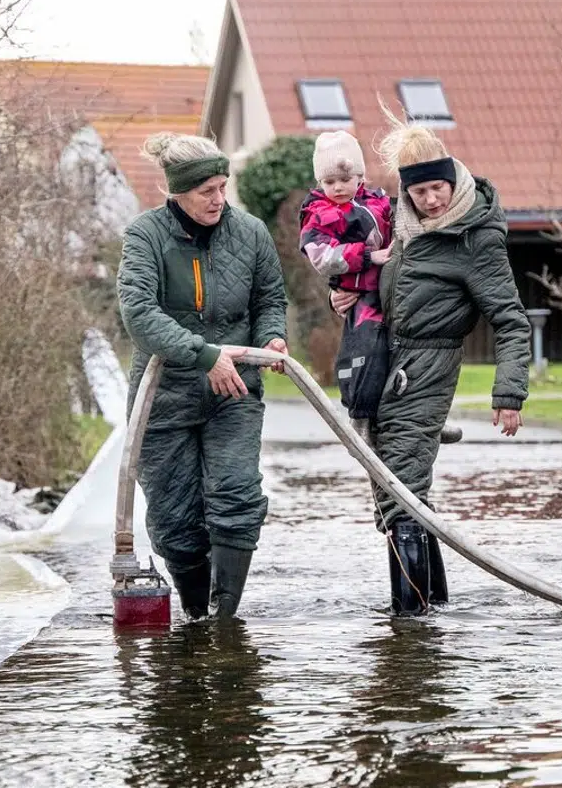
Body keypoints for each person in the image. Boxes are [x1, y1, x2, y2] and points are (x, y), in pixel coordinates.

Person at [335, 112, 530, 616]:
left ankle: (410, 625)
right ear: (408, 194)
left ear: (454, 179)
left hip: (427, 368)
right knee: (402, 490)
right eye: (421, 193)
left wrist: (508, 395)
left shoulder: (475, 237)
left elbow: (512, 321)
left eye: (439, 188)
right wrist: (346, 293)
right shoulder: (403, 229)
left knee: (399, 493)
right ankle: (433, 610)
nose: (433, 200)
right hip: (383, 367)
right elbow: (384, 286)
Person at [117, 132, 288, 621]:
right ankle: (195, 617)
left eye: (222, 187)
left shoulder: (250, 233)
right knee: (175, 520)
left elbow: (269, 299)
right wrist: (204, 355)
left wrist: (272, 337)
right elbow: (139, 312)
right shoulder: (145, 236)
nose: (219, 199)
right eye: (206, 191)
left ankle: (225, 619)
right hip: (164, 396)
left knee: (236, 497)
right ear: (178, 193)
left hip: (234, 392)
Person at [298, 131, 464, 447]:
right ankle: (361, 421)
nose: (337, 187)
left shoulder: (380, 203)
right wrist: (367, 255)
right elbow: (320, 255)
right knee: (366, 355)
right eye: (329, 181)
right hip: (361, 298)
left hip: (393, 291)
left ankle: (428, 418)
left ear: (360, 176)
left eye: (345, 179)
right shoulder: (320, 212)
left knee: (415, 354)